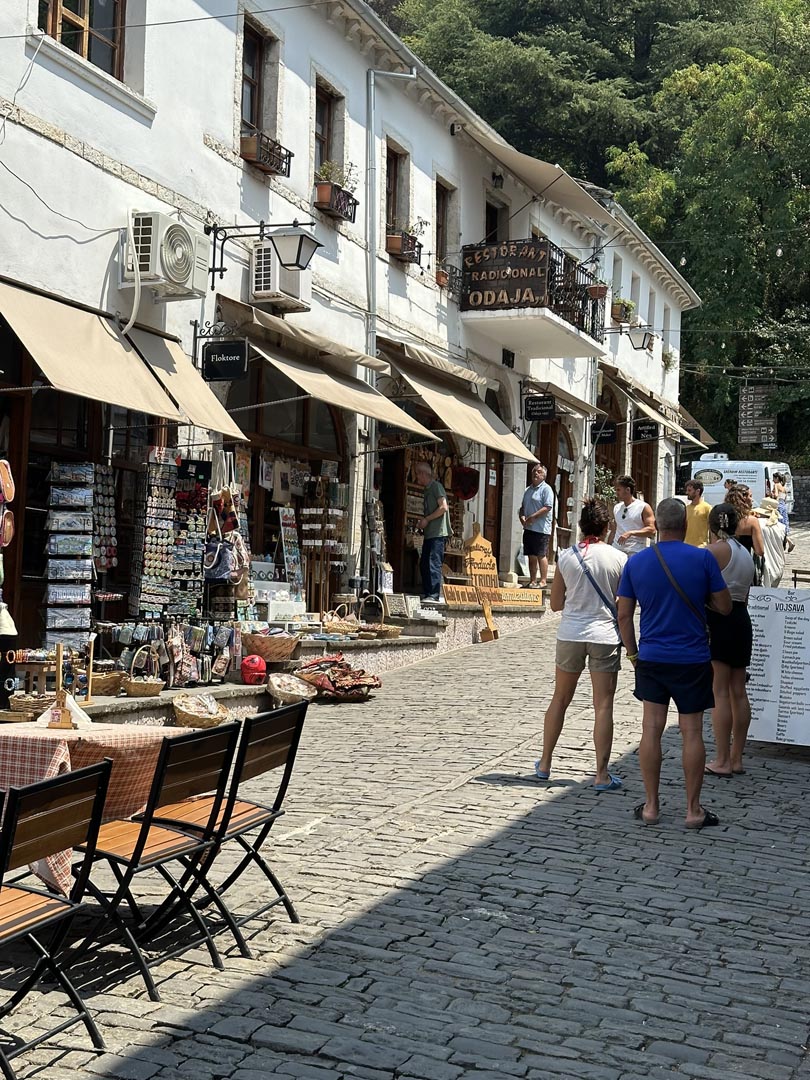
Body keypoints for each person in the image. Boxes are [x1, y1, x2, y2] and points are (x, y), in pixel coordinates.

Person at [617, 498, 732, 829]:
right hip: (692, 658)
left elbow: (624, 614)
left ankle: (651, 806)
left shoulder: (636, 563)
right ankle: (693, 810)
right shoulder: (703, 559)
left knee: (651, 729)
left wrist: (633, 653)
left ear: (659, 527)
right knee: (691, 731)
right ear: (685, 526)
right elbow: (724, 607)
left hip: (652, 657)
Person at [534, 499, 627, 790]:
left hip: (571, 633)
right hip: (604, 636)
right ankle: (601, 774)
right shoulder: (619, 558)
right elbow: (623, 605)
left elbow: (556, 604)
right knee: (603, 705)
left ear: (581, 526)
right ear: (606, 527)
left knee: (560, 699)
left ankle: (545, 762)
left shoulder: (567, 557)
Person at [704, 503, 756, 778]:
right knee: (739, 690)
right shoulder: (745, 554)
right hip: (742, 619)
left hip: (719, 619)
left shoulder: (713, 552)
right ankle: (736, 757)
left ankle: (722, 758)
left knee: (719, 691)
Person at [415, 461, 450, 603]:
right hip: (430, 533)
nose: (417, 478)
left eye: (417, 474)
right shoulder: (427, 490)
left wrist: (427, 520)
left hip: (438, 533)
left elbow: (443, 507)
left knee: (433, 562)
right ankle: (428, 592)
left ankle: (434, 595)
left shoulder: (436, 487)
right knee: (424, 563)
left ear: (423, 474)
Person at [518, 463, 554, 587]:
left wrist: (533, 516)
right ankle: (532, 580)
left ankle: (543, 581)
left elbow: (547, 507)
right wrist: (522, 517)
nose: (536, 473)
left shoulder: (546, 489)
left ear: (544, 476)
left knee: (540, 554)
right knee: (531, 555)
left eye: (539, 472)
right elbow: (522, 508)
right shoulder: (527, 490)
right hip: (528, 528)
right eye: (534, 471)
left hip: (541, 529)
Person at [608, 475, 656, 555]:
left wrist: (631, 533)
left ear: (628, 490)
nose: (616, 493)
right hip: (617, 550)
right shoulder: (617, 507)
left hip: (635, 551)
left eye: (618, 490)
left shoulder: (643, 507)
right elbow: (614, 530)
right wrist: (608, 547)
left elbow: (652, 530)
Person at [726, 485, 764, 581]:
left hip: (724, 564)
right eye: (750, 496)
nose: (752, 499)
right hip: (743, 565)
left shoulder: (721, 518)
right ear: (744, 499)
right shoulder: (752, 521)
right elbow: (760, 551)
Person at [751, 496, 786, 587]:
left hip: (763, 566)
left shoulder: (757, 524)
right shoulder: (782, 527)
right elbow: (783, 545)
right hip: (778, 564)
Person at [684, 479, 711, 547]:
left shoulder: (707, 508)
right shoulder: (686, 508)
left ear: (698, 491)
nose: (687, 492)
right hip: (687, 546)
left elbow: (712, 530)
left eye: (689, 490)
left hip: (701, 547)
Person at [772, 472, 795, 552]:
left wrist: (771, 495)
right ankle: (788, 542)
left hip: (778, 506)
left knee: (777, 525)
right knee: (783, 525)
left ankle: (787, 542)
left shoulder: (776, 485)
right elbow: (784, 499)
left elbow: (775, 495)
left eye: (774, 478)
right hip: (783, 506)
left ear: (777, 478)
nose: (772, 480)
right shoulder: (783, 487)